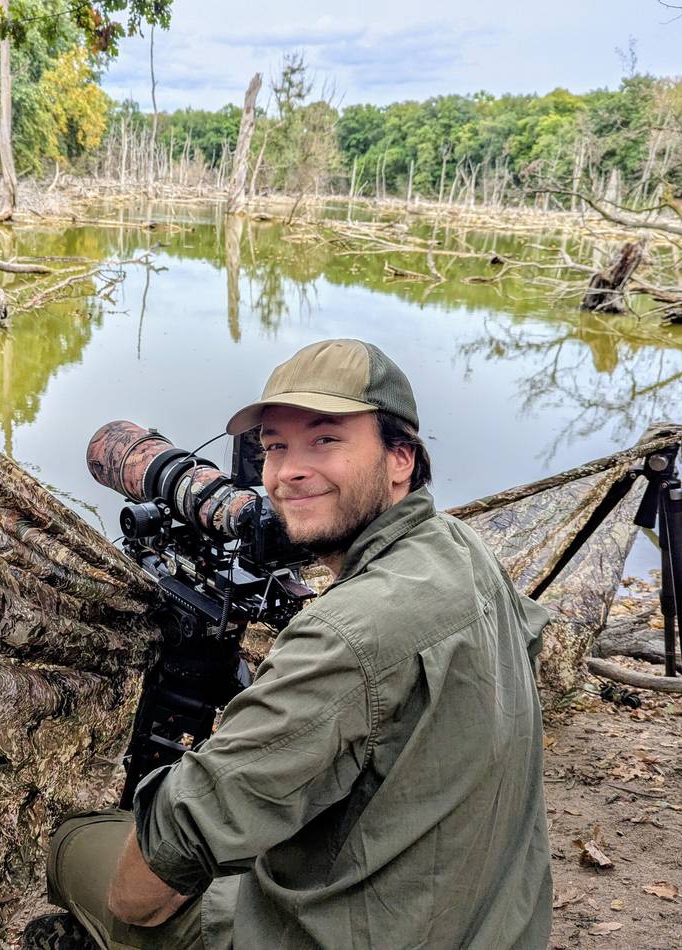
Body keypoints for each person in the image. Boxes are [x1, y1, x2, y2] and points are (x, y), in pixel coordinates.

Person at [37, 339, 553, 950]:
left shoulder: (345, 635)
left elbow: (158, 870)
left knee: (79, 846)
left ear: (400, 459)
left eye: (326, 440)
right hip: (497, 920)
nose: (287, 472)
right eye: (275, 447)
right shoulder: (462, 546)